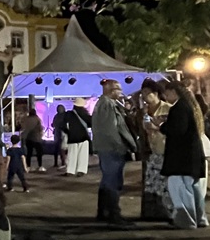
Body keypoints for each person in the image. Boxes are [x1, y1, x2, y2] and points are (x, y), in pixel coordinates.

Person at [159, 80, 208, 229]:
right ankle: (200, 218)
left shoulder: (179, 108)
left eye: (167, 93)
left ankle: (186, 220)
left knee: (179, 187)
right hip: (192, 154)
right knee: (193, 188)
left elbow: (177, 130)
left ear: (174, 92)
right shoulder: (192, 107)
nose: (166, 97)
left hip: (181, 156)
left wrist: (162, 126)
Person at [92, 80, 137, 224]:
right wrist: (121, 146)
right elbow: (111, 130)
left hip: (106, 148)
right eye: (119, 90)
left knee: (107, 180)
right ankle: (113, 214)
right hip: (111, 149)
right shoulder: (108, 105)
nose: (121, 93)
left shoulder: (103, 104)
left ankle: (104, 212)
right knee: (113, 181)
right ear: (112, 90)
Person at [139, 80, 173, 221]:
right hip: (151, 150)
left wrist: (156, 127)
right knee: (152, 184)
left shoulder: (168, 109)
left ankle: (170, 213)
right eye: (143, 94)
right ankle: (153, 212)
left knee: (167, 185)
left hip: (166, 149)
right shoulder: (144, 111)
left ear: (156, 93)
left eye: (148, 93)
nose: (145, 96)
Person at [63, 99, 92, 176]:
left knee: (71, 155)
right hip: (83, 137)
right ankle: (81, 170)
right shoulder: (85, 114)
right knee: (83, 155)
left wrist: (67, 132)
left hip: (72, 137)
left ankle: (70, 170)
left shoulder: (68, 114)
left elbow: (62, 125)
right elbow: (90, 123)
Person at [20, 108, 46, 173]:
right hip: (37, 138)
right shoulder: (37, 119)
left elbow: (23, 127)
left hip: (28, 138)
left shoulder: (26, 119)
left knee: (29, 153)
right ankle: (40, 166)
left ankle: (28, 166)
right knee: (39, 152)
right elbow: (40, 128)